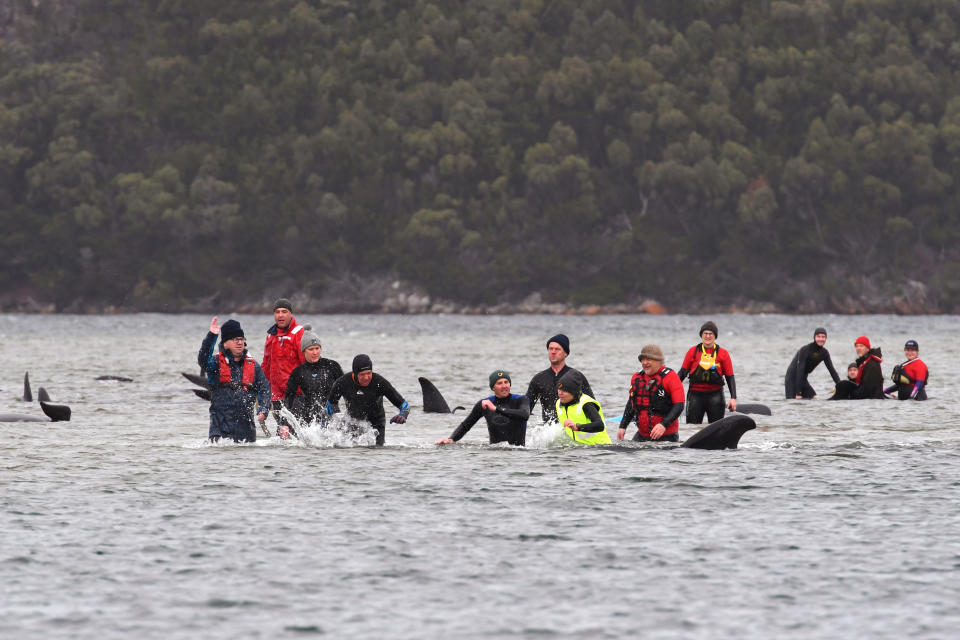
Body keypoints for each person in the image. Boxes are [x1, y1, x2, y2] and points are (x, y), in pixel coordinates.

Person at [198, 317, 270, 443]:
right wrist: (212, 336)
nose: (239, 342)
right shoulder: (215, 364)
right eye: (235, 339)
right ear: (225, 343)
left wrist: (263, 409)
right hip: (220, 432)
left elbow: (265, 389)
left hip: (247, 433)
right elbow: (203, 360)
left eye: (241, 339)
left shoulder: (253, 366)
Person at [326, 354, 410, 446]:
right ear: (354, 373)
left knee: (378, 450)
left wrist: (403, 415)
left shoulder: (380, 382)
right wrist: (335, 422)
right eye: (362, 374)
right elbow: (331, 403)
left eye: (369, 373)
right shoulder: (342, 382)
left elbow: (404, 405)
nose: (366, 378)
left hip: (376, 424)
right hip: (353, 422)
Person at [435, 370, 531, 446]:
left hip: (518, 453)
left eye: (506, 382)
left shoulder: (521, 399)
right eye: (499, 383)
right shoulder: (484, 404)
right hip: (494, 451)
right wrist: (451, 439)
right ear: (493, 387)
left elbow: (525, 415)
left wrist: (496, 409)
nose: (504, 386)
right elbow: (466, 425)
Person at [617, 344, 685, 442]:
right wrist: (623, 426)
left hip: (666, 435)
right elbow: (631, 404)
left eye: (648, 359)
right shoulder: (636, 377)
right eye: (642, 360)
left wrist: (663, 425)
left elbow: (679, 406)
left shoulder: (671, 377)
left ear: (659, 361)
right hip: (641, 435)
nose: (645, 363)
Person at [282, 331, 344, 431]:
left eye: (317, 348)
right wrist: (285, 424)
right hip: (309, 419)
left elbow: (347, 388)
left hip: (332, 416)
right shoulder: (298, 372)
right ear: (304, 351)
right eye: (311, 349)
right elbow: (289, 399)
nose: (315, 352)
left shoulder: (332, 366)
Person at [525, 333, 594, 422]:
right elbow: (526, 410)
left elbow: (592, 405)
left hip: (572, 427)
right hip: (549, 430)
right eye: (550, 349)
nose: (553, 352)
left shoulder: (577, 377)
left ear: (565, 353)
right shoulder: (538, 379)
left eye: (557, 349)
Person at [677, 321, 736, 423]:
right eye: (705, 333)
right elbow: (681, 374)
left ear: (715, 336)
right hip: (695, 396)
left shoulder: (723, 353)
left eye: (711, 334)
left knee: (716, 430)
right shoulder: (693, 351)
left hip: (715, 396)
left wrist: (733, 398)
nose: (708, 336)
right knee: (692, 428)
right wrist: (670, 394)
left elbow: (730, 377)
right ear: (701, 335)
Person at [261, 298, 306, 432]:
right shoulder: (270, 335)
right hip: (276, 394)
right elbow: (266, 364)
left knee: (287, 430)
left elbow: (305, 363)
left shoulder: (299, 332)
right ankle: (283, 453)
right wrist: (261, 387)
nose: (280, 315)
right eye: (277, 312)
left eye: (284, 311)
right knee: (282, 431)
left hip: (296, 393)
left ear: (290, 314)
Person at [555, 370, 611, 445]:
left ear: (573, 392)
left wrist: (578, 427)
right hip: (580, 449)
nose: (560, 393)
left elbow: (600, 425)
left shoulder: (586, 403)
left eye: (564, 390)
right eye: (559, 389)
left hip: (600, 449)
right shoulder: (558, 403)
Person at [785, 327, 841, 399]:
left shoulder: (824, 353)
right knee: (794, 402)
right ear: (814, 337)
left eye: (823, 337)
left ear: (826, 338)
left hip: (803, 379)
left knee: (813, 398)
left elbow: (832, 370)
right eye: (818, 336)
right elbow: (800, 370)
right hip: (792, 378)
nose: (821, 339)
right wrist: (798, 392)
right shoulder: (805, 350)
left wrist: (840, 385)